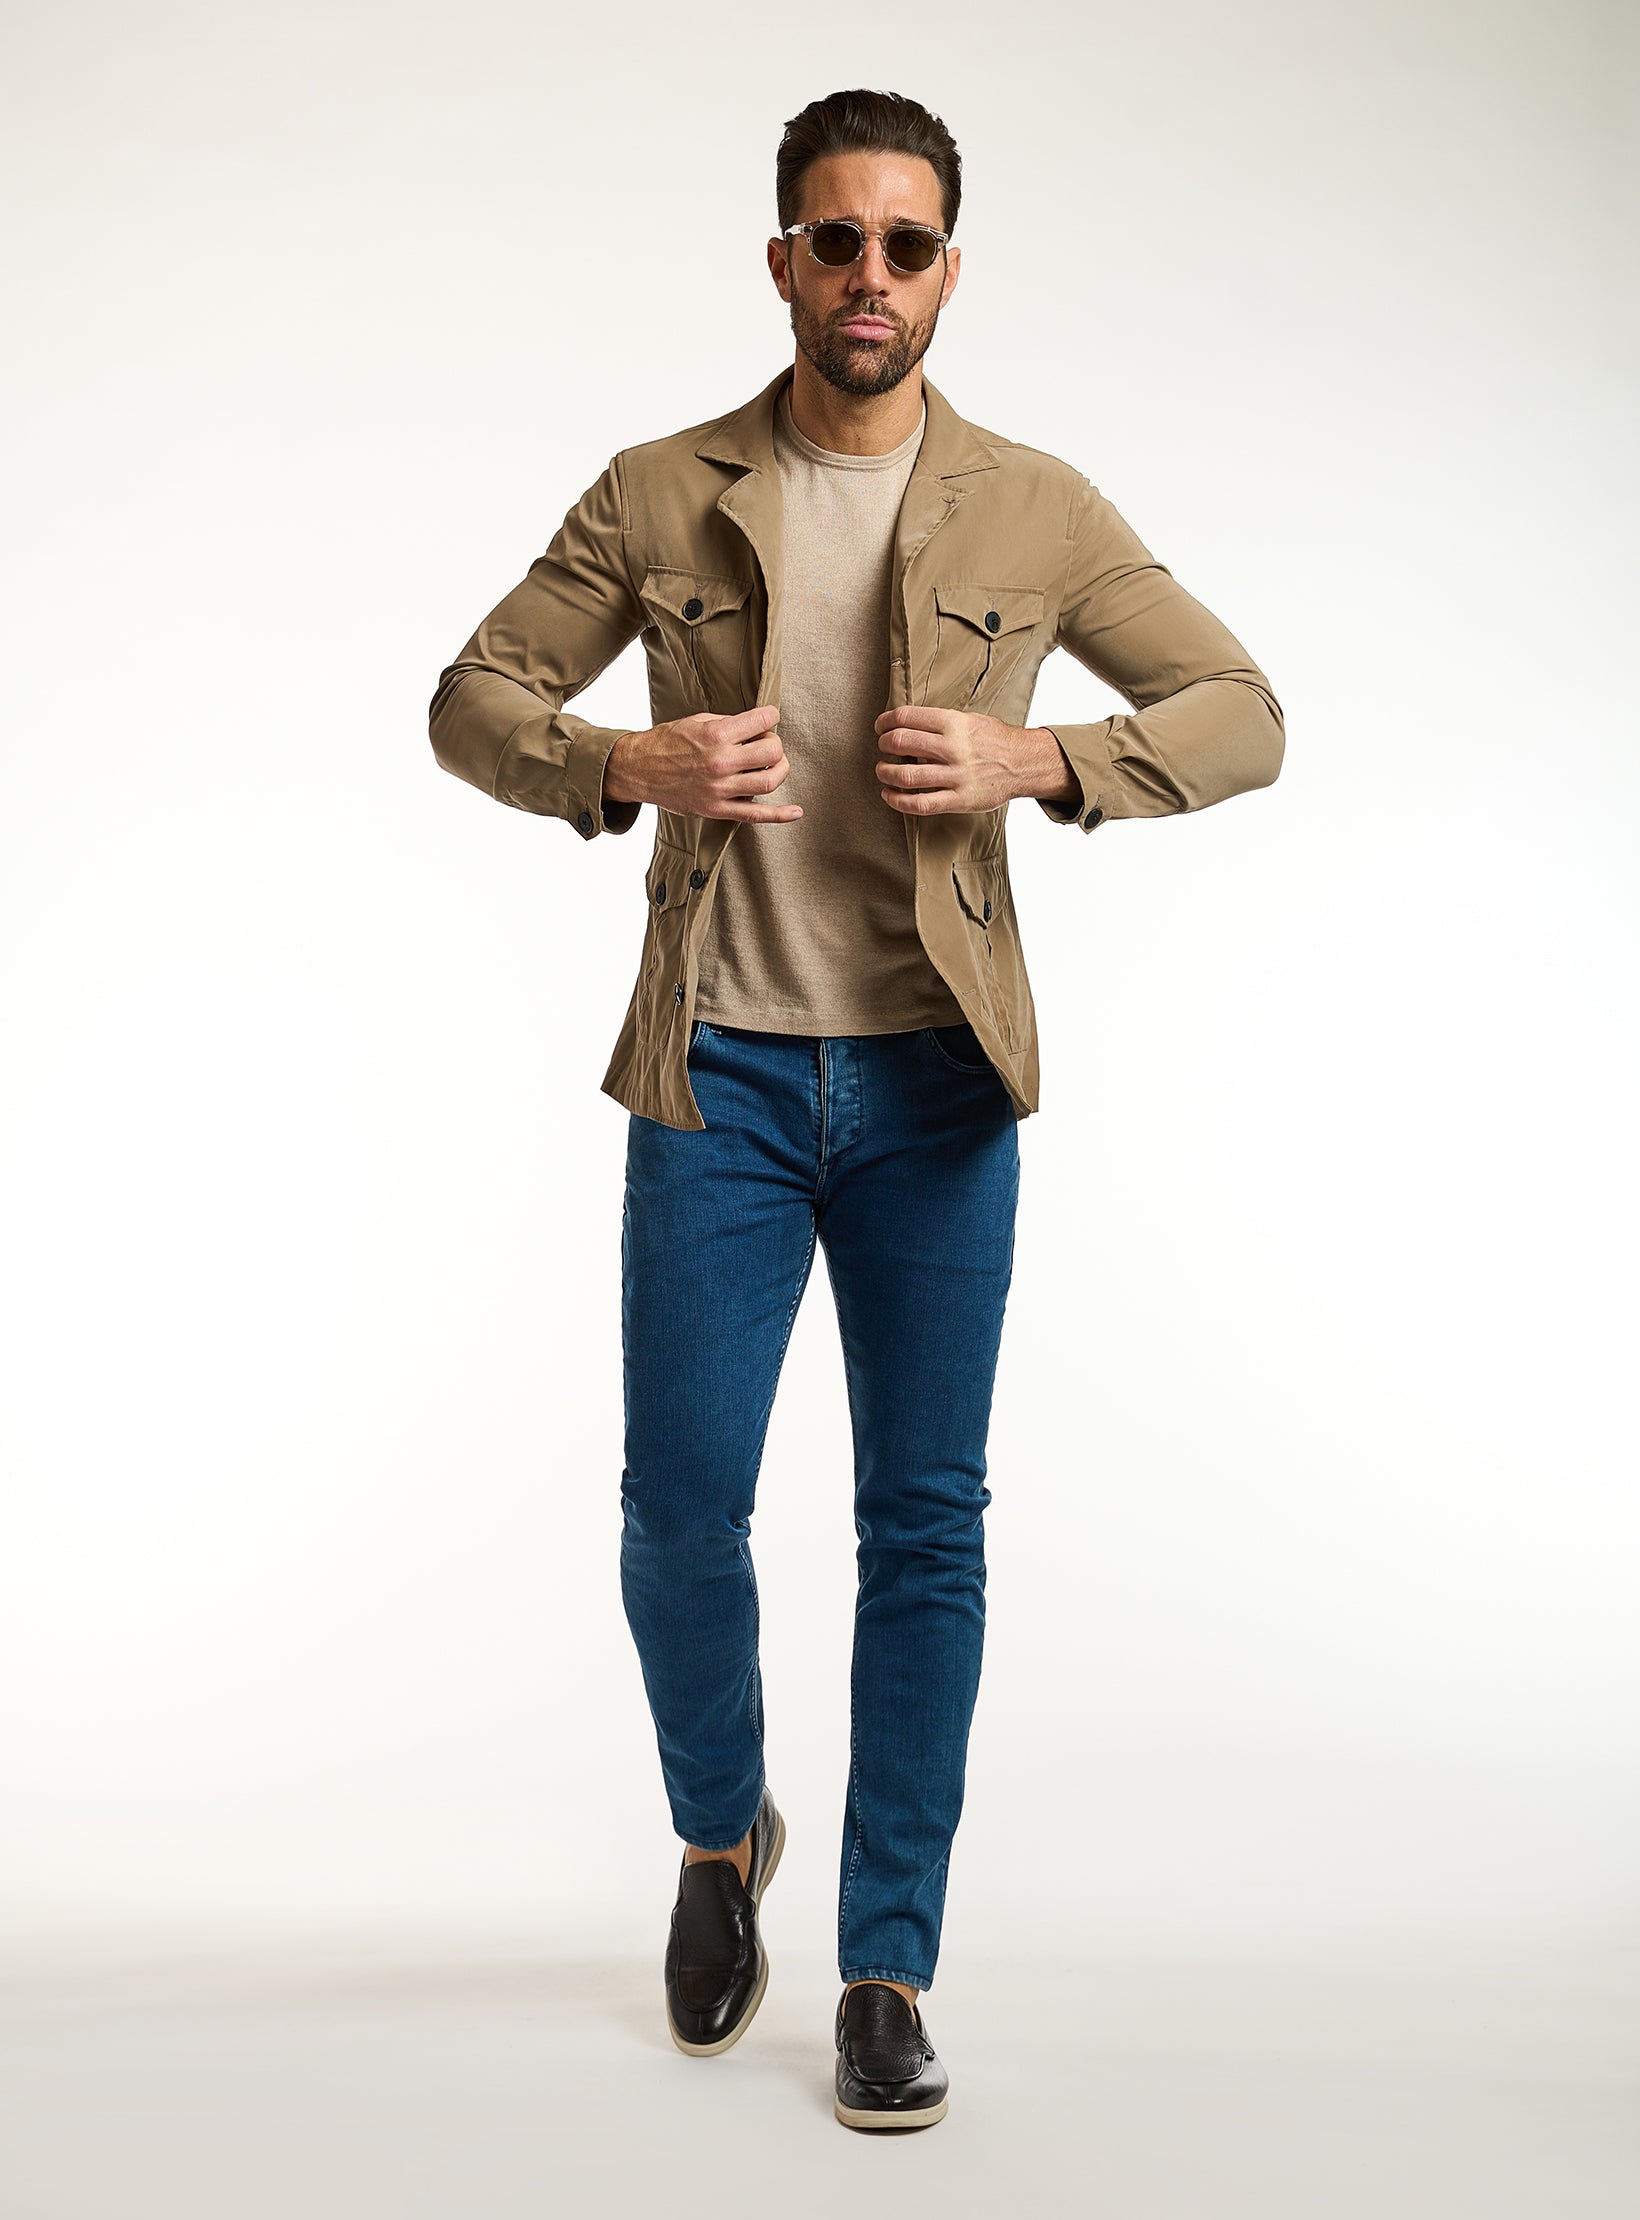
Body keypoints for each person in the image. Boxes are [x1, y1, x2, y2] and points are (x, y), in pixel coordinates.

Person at [428, 86, 1284, 2133]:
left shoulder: (1031, 506)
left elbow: (1241, 713)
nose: (870, 276)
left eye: (906, 244)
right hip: (712, 1071)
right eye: (837, 239)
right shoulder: (662, 490)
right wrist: (622, 766)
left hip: (933, 1089)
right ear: (784, 262)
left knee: (925, 1527)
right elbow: (471, 701)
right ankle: (722, 1832)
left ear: (948, 273)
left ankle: (887, 1964)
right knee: (676, 1512)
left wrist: (1041, 762)